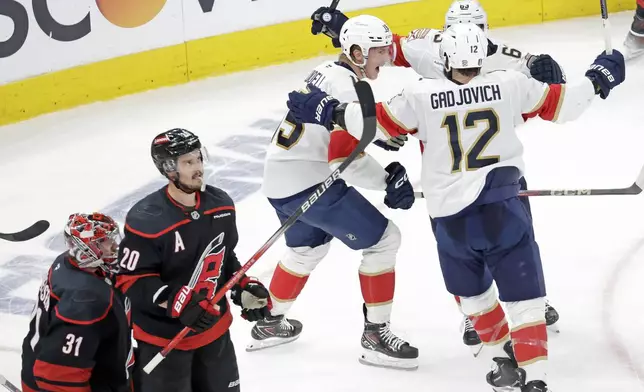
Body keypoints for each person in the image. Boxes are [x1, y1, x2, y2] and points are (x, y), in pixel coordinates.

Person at [285, 23, 625, 391]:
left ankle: (499, 359)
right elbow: (567, 105)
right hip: (502, 211)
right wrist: (599, 77)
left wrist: (328, 109)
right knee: (525, 300)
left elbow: (371, 123)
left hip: (449, 221)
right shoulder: (510, 84)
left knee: (473, 295)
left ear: (444, 59)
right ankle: (536, 378)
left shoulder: (420, 94)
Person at [311, 0, 562, 354]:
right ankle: (476, 312)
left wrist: (540, 65)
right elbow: (387, 45)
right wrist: (345, 27)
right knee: (470, 244)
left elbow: (532, 69)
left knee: (504, 238)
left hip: (479, 169)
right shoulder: (443, 48)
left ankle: (526, 303)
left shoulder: (491, 55)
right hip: (452, 172)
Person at [252, 14, 419, 370]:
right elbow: (344, 159)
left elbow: (334, 135)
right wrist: (388, 180)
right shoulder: (350, 88)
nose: (387, 57)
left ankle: (269, 322)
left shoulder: (326, 70)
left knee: (305, 250)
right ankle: (376, 335)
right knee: (385, 240)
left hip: (279, 179)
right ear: (357, 52)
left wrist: (373, 134)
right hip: (307, 183)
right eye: (379, 50)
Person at [114, 128, 271, 392]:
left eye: (199, 158)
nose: (198, 168)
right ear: (168, 169)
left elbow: (223, 257)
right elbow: (130, 280)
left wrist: (242, 285)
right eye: (188, 162)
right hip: (164, 339)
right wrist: (176, 300)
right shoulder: (147, 220)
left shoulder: (220, 206)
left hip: (214, 332)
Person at [21, 213, 134, 392]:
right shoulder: (84, 300)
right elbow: (57, 375)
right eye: (105, 241)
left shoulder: (66, 262)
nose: (115, 245)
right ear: (87, 250)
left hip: (36, 357)